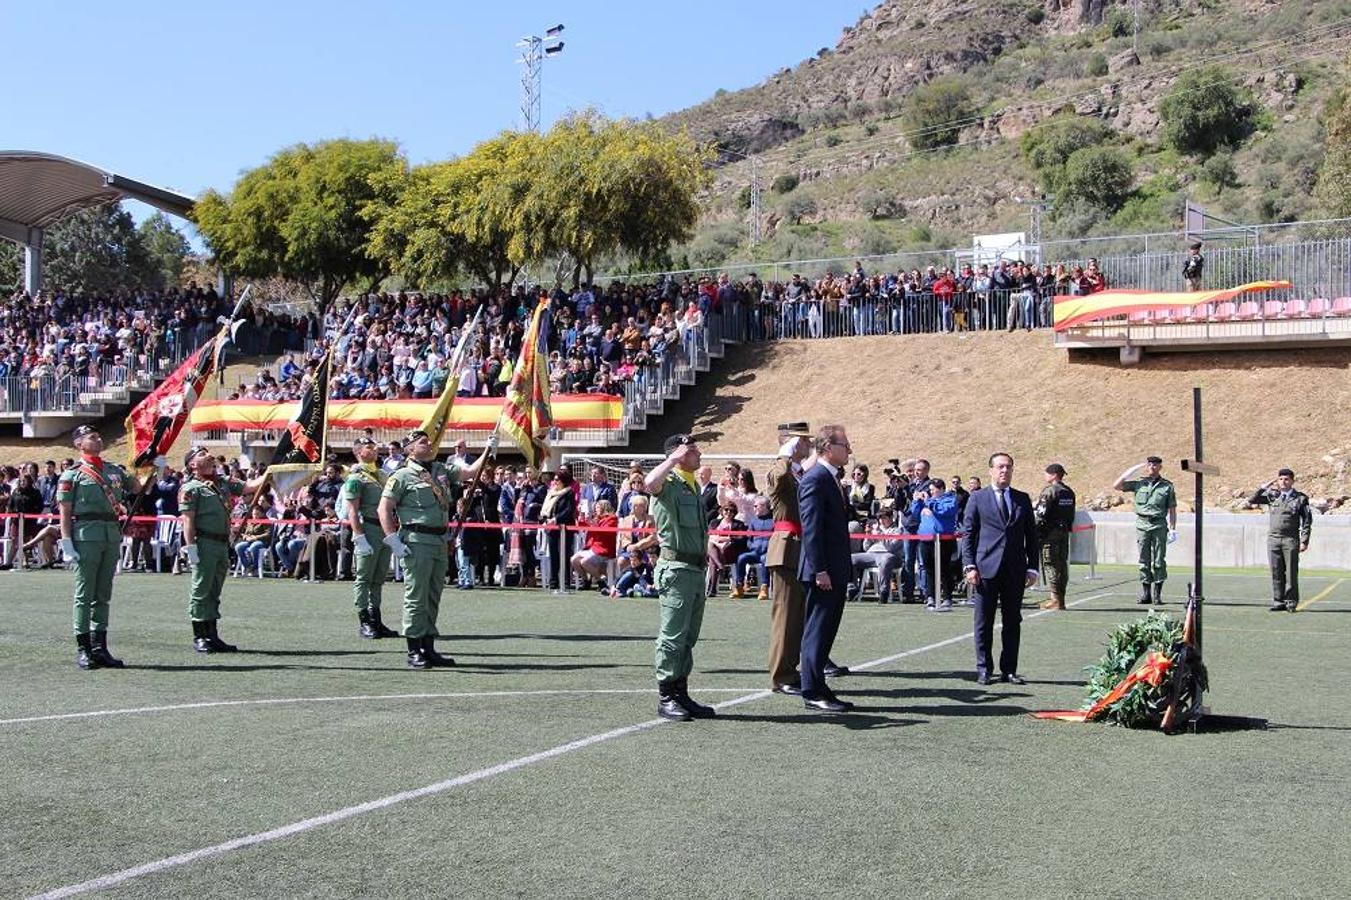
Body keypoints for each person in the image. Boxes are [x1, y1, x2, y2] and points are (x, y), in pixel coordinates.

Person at [378, 428, 493, 669]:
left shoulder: (440, 470)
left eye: (428, 441)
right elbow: (384, 509)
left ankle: (428, 647)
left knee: (433, 596)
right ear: (409, 448)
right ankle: (413, 649)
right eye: (422, 442)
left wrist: (487, 449)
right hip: (416, 540)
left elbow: (470, 472)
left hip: (439, 541)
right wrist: (393, 541)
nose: (428, 444)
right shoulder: (401, 476)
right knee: (416, 596)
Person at [56, 424, 161, 669]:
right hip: (86, 534)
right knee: (85, 593)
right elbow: (65, 512)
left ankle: (99, 647)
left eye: (99, 436)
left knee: (103, 593)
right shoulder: (72, 474)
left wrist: (155, 469)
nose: (99, 440)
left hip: (110, 534)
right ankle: (84, 648)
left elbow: (138, 488)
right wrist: (66, 541)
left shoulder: (114, 471)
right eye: (92, 437)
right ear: (79, 444)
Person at [644, 433, 716, 722]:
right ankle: (666, 696)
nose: (698, 453)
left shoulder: (693, 484)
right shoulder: (670, 482)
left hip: (695, 570)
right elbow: (650, 484)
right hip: (676, 570)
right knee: (672, 637)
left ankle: (681, 692)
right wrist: (672, 458)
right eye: (692, 449)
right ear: (678, 453)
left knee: (688, 637)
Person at [961, 452, 1040, 686]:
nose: (1004, 471)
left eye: (1008, 467)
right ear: (991, 470)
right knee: (983, 622)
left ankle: (1009, 670)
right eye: (1000, 467)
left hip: (1015, 570)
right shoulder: (977, 498)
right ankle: (984, 669)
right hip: (985, 569)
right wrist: (969, 565)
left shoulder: (1022, 499)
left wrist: (1033, 568)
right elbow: (968, 535)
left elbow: (1031, 537)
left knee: (1013, 621)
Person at [180, 446, 266, 653]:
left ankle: (212, 634)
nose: (208, 455)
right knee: (201, 590)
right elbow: (188, 521)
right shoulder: (191, 488)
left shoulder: (224, 482)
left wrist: (270, 471)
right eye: (202, 454)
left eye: (208, 452)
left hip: (221, 543)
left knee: (214, 590)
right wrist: (191, 548)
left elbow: (250, 487)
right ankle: (200, 635)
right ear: (192, 464)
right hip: (204, 542)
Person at [798, 424, 856, 713]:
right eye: (844, 445)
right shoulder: (816, 479)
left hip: (833, 568)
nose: (849, 450)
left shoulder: (829, 478)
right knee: (817, 631)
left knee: (826, 631)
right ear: (827, 448)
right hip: (822, 571)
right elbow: (811, 528)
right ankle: (811, 690)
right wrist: (820, 569)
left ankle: (819, 686)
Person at [765, 422, 812, 694]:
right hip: (786, 549)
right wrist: (785, 452)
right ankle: (781, 676)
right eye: (803, 441)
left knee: (796, 617)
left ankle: (790, 670)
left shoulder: (796, 473)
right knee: (785, 618)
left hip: (798, 548)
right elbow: (777, 479)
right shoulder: (779, 471)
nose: (808, 446)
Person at [343, 436, 397, 639]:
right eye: (369, 447)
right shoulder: (356, 477)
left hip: (384, 530)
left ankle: (376, 618)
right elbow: (352, 511)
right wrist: (359, 536)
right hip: (368, 528)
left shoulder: (381, 474)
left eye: (375, 447)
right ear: (358, 452)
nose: (374, 450)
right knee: (364, 578)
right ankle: (364, 620)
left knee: (378, 578)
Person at [1113, 455, 1177, 605]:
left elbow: (1172, 509)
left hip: (1159, 524)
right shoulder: (1139, 483)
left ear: (1160, 467)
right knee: (1143, 560)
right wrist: (1130, 471)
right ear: (1146, 466)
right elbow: (1116, 485)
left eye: (1155, 465)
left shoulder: (1167, 486)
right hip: (1142, 524)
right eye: (1149, 465)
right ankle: (1146, 594)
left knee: (1159, 560)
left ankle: (1157, 594)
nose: (1152, 467)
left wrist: (1173, 529)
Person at [1249, 468, 1313, 612]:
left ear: (1292, 481)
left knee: (1290, 572)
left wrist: (1304, 540)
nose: (1283, 482)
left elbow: (1307, 521)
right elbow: (1252, 500)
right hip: (1273, 539)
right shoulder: (1272, 496)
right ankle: (1278, 601)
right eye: (1280, 479)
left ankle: (1290, 602)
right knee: (1276, 571)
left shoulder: (1300, 498)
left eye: (1286, 479)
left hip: (1290, 540)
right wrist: (1263, 487)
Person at [1034, 463, 1077, 611]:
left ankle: (1055, 600)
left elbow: (1041, 513)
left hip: (1050, 533)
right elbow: (1071, 514)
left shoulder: (1050, 491)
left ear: (1053, 475)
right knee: (1062, 564)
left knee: (1050, 564)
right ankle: (1061, 599)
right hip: (1064, 532)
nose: (1045, 476)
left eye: (1046, 473)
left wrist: (1036, 530)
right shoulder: (1069, 491)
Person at [914, 479, 960, 611]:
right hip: (926, 539)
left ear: (941, 489)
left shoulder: (950, 499)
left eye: (933, 489)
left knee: (944, 569)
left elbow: (945, 511)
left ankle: (947, 597)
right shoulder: (927, 501)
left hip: (944, 540)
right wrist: (917, 502)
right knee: (928, 569)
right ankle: (930, 597)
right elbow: (914, 514)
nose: (931, 492)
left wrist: (929, 502)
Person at [732, 494, 774, 600]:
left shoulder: (773, 521)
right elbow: (749, 539)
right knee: (741, 557)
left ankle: (764, 588)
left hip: (767, 552)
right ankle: (739, 586)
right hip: (754, 552)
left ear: (764, 506)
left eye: (756, 506)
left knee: (765, 559)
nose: (754, 508)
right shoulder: (753, 521)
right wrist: (752, 546)